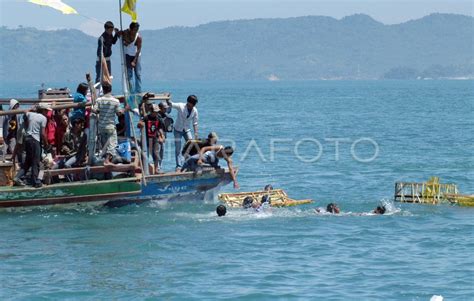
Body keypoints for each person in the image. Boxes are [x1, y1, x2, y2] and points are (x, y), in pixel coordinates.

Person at [13, 103, 50, 187]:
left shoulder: (31, 114)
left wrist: (31, 109)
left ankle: (17, 177)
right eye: (46, 111)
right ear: (43, 110)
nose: (47, 112)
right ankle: (36, 182)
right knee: (35, 162)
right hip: (35, 140)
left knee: (28, 162)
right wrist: (46, 144)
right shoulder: (43, 118)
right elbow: (43, 134)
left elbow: (25, 111)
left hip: (27, 139)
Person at [93, 83, 126, 165]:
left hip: (101, 126)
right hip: (110, 126)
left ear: (103, 90)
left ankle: (105, 159)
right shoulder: (115, 101)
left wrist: (100, 112)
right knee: (113, 144)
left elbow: (94, 110)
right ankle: (107, 161)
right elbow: (119, 114)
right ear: (111, 90)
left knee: (104, 144)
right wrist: (125, 109)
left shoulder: (99, 100)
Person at [167, 95, 199, 171]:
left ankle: (191, 163)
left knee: (192, 145)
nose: (193, 106)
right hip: (178, 129)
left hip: (187, 130)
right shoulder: (181, 106)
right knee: (178, 148)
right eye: (192, 104)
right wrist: (167, 99)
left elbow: (195, 123)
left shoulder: (195, 110)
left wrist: (196, 133)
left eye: (194, 105)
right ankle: (178, 166)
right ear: (188, 102)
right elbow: (171, 104)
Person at [138, 104, 165, 174]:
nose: (156, 113)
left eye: (157, 112)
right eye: (155, 112)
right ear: (151, 111)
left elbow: (159, 128)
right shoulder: (146, 118)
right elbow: (139, 125)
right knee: (144, 155)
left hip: (155, 139)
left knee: (156, 154)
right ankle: (144, 170)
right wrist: (140, 124)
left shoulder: (158, 118)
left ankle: (156, 170)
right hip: (146, 139)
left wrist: (162, 136)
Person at [122, 22, 142, 94]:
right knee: (129, 75)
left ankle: (138, 91)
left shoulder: (138, 37)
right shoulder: (126, 34)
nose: (136, 31)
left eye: (137, 29)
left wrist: (134, 61)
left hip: (136, 56)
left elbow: (139, 50)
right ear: (130, 29)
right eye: (134, 29)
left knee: (138, 74)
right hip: (127, 55)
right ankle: (132, 92)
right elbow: (119, 34)